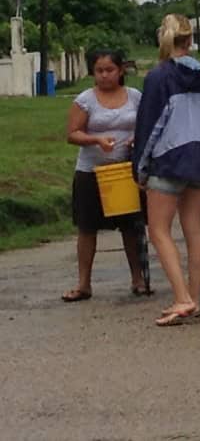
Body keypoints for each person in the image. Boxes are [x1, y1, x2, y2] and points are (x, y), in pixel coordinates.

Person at [133, 15, 200, 326]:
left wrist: (140, 169)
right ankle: (194, 298)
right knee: (193, 227)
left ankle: (181, 298)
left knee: (159, 230)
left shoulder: (158, 77)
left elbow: (149, 126)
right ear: (190, 40)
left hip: (168, 160)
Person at [63, 49, 147, 302]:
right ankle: (84, 284)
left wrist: (136, 139)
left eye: (109, 70)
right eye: (99, 71)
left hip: (124, 171)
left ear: (120, 70)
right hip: (91, 172)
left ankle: (138, 279)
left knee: (131, 227)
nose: (104, 76)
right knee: (87, 228)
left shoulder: (135, 97)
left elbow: (147, 125)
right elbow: (72, 133)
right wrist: (95, 139)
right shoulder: (85, 100)